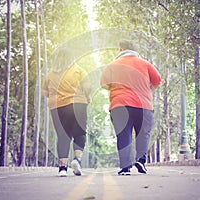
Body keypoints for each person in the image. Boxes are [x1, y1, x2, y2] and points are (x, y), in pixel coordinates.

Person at [100, 40, 161, 175]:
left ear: (120, 50)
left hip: (120, 104)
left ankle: (125, 168)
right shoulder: (145, 64)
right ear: (134, 50)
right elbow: (157, 80)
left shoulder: (112, 65)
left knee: (124, 135)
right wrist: (147, 90)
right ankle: (141, 160)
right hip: (143, 105)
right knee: (143, 134)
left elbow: (104, 84)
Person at [42, 47, 91, 177]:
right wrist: (88, 96)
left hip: (57, 107)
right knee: (80, 133)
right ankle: (77, 160)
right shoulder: (79, 71)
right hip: (78, 104)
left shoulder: (50, 75)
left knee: (63, 136)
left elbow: (45, 92)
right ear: (72, 58)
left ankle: (62, 168)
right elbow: (87, 87)